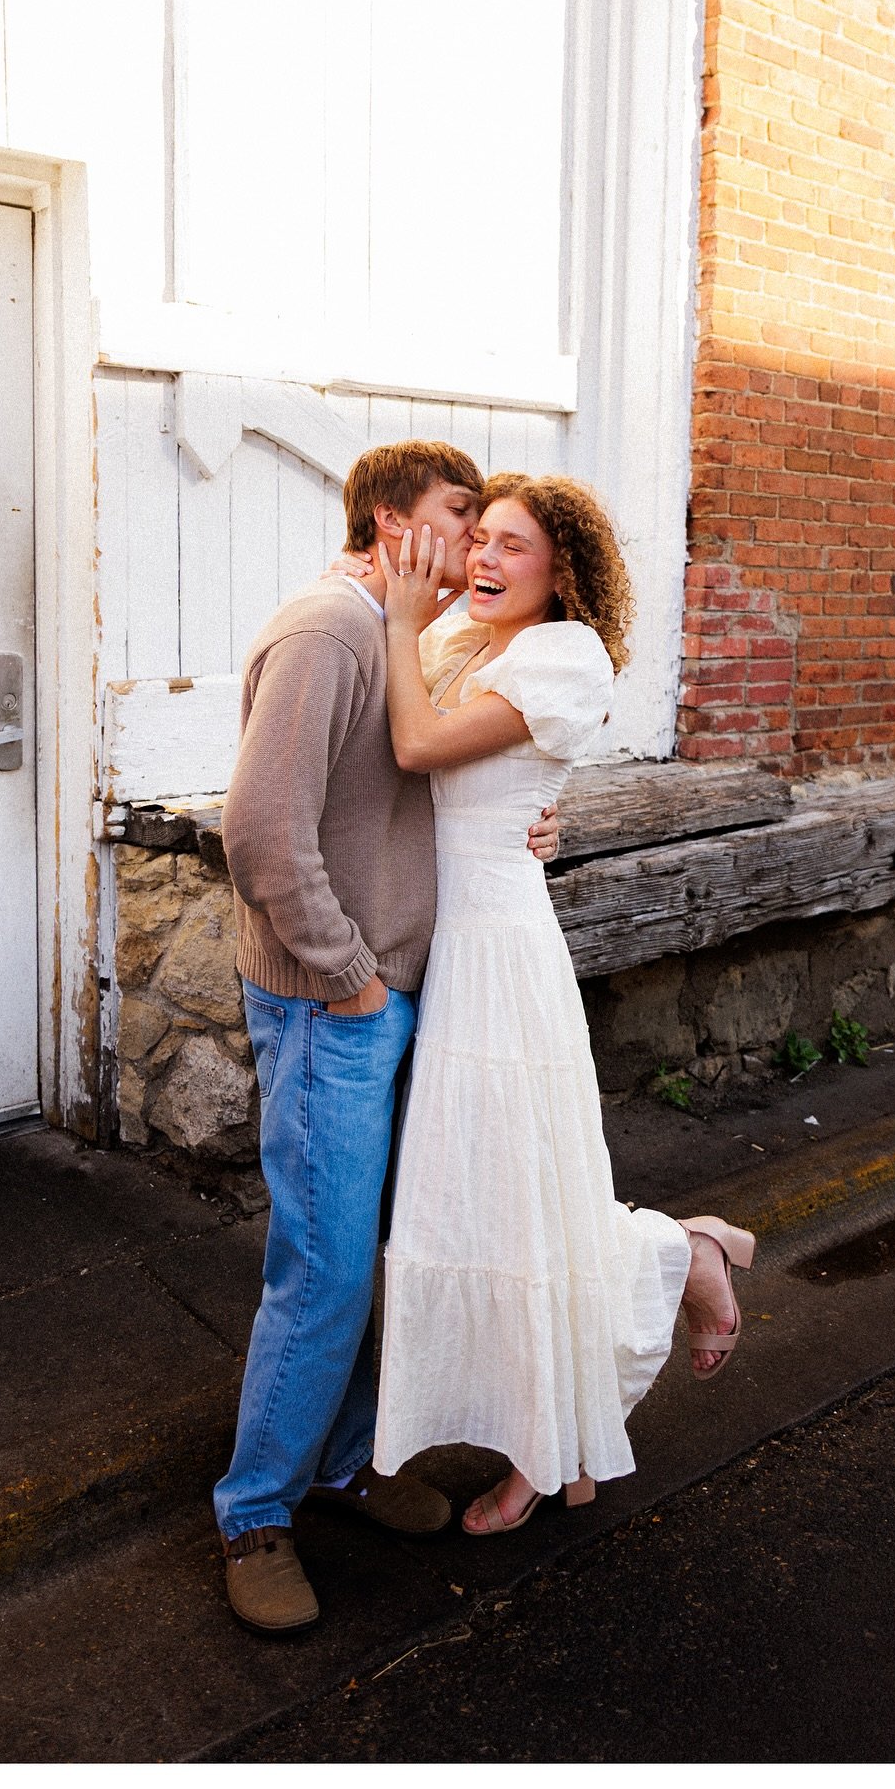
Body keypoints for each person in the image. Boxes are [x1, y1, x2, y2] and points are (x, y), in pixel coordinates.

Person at [214, 441, 562, 1632]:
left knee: (385, 1254)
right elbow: (261, 832)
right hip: (335, 1004)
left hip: (406, 993)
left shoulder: (412, 636)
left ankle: (342, 1463)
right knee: (323, 1269)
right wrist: (350, 975)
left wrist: (538, 823)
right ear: (386, 523)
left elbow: (438, 785)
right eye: (460, 515)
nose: (477, 541)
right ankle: (255, 1514)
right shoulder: (326, 631)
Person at [365, 473, 755, 1535]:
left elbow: (415, 747)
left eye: (513, 546)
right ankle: (684, 1251)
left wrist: (401, 621)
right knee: (480, 1196)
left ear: (563, 568)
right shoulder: (463, 644)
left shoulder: (563, 654)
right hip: (448, 950)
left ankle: (546, 1444)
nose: (484, 560)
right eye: (480, 539)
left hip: (501, 956)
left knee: (518, 1195)